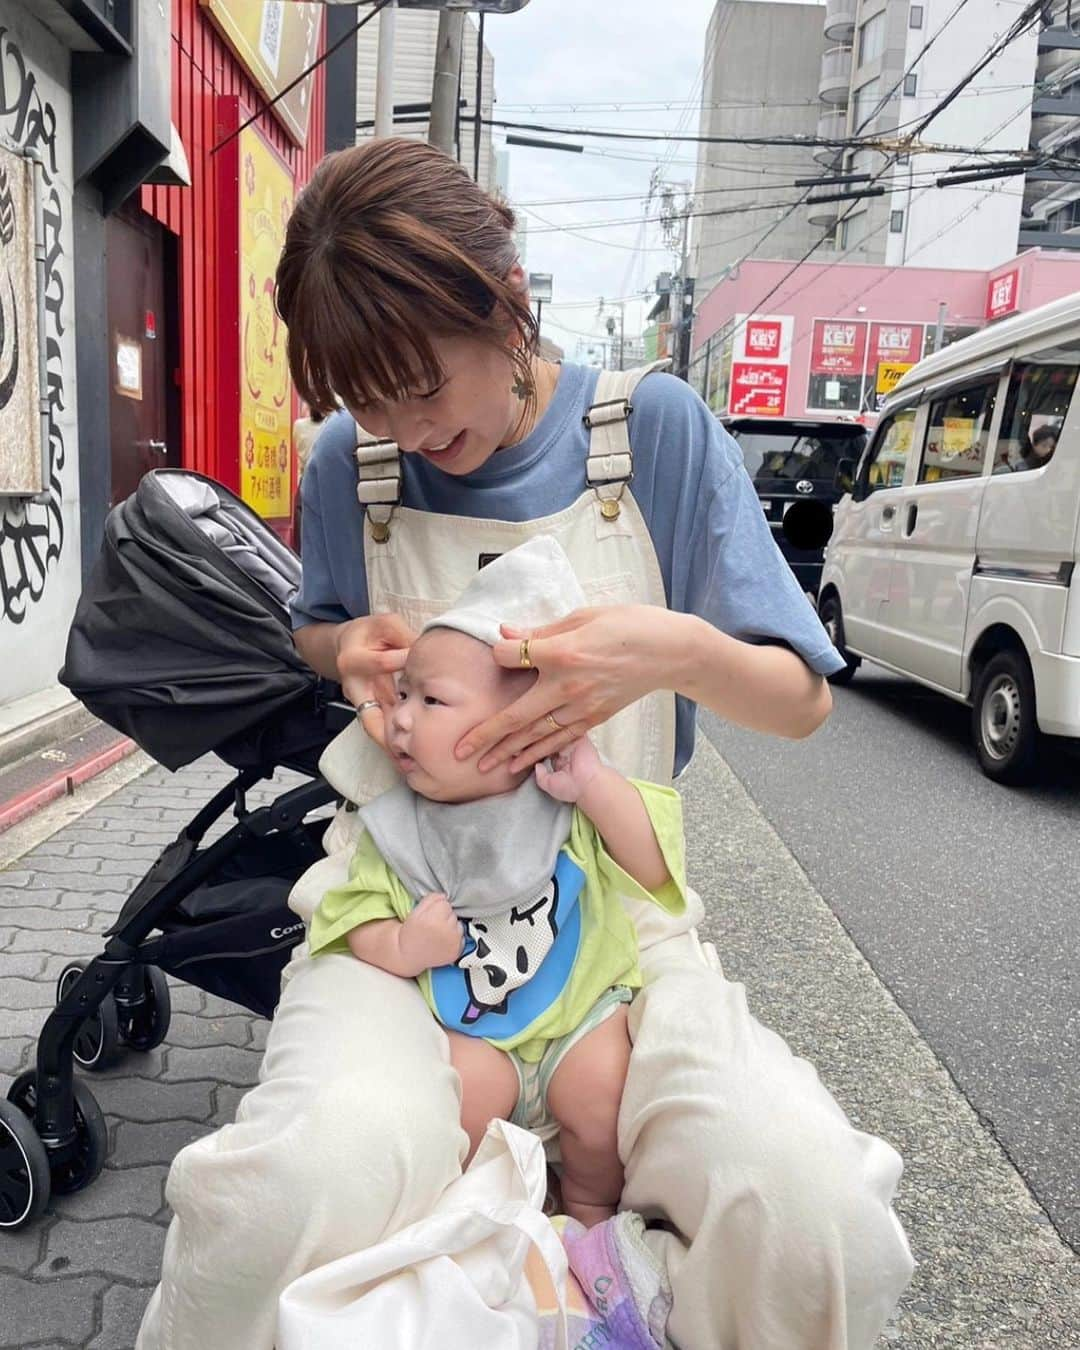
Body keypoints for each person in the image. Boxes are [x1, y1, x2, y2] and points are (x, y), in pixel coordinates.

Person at [137, 138, 913, 1350]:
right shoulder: (357, 463)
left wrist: (665, 649)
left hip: (620, 922)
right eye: (363, 397)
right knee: (283, 1189)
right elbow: (316, 625)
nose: (400, 424)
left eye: (419, 383)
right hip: (398, 908)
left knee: (813, 1214)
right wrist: (342, 654)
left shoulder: (649, 433)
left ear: (503, 301)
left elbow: (801, 698)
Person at [309, 537, 687, 1231]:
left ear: (524, 726)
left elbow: (655, 866)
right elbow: (350, 917)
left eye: (431, 700)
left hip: (581, 1012)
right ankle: (482, 1217)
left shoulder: (562, 799)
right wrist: (401, 945)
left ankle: (590, 1212)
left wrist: (596, 786)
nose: (398, 718)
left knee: (603, 1101)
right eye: (401, 696)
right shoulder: (401, 825)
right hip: (475, 1034)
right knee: (452, 1107)